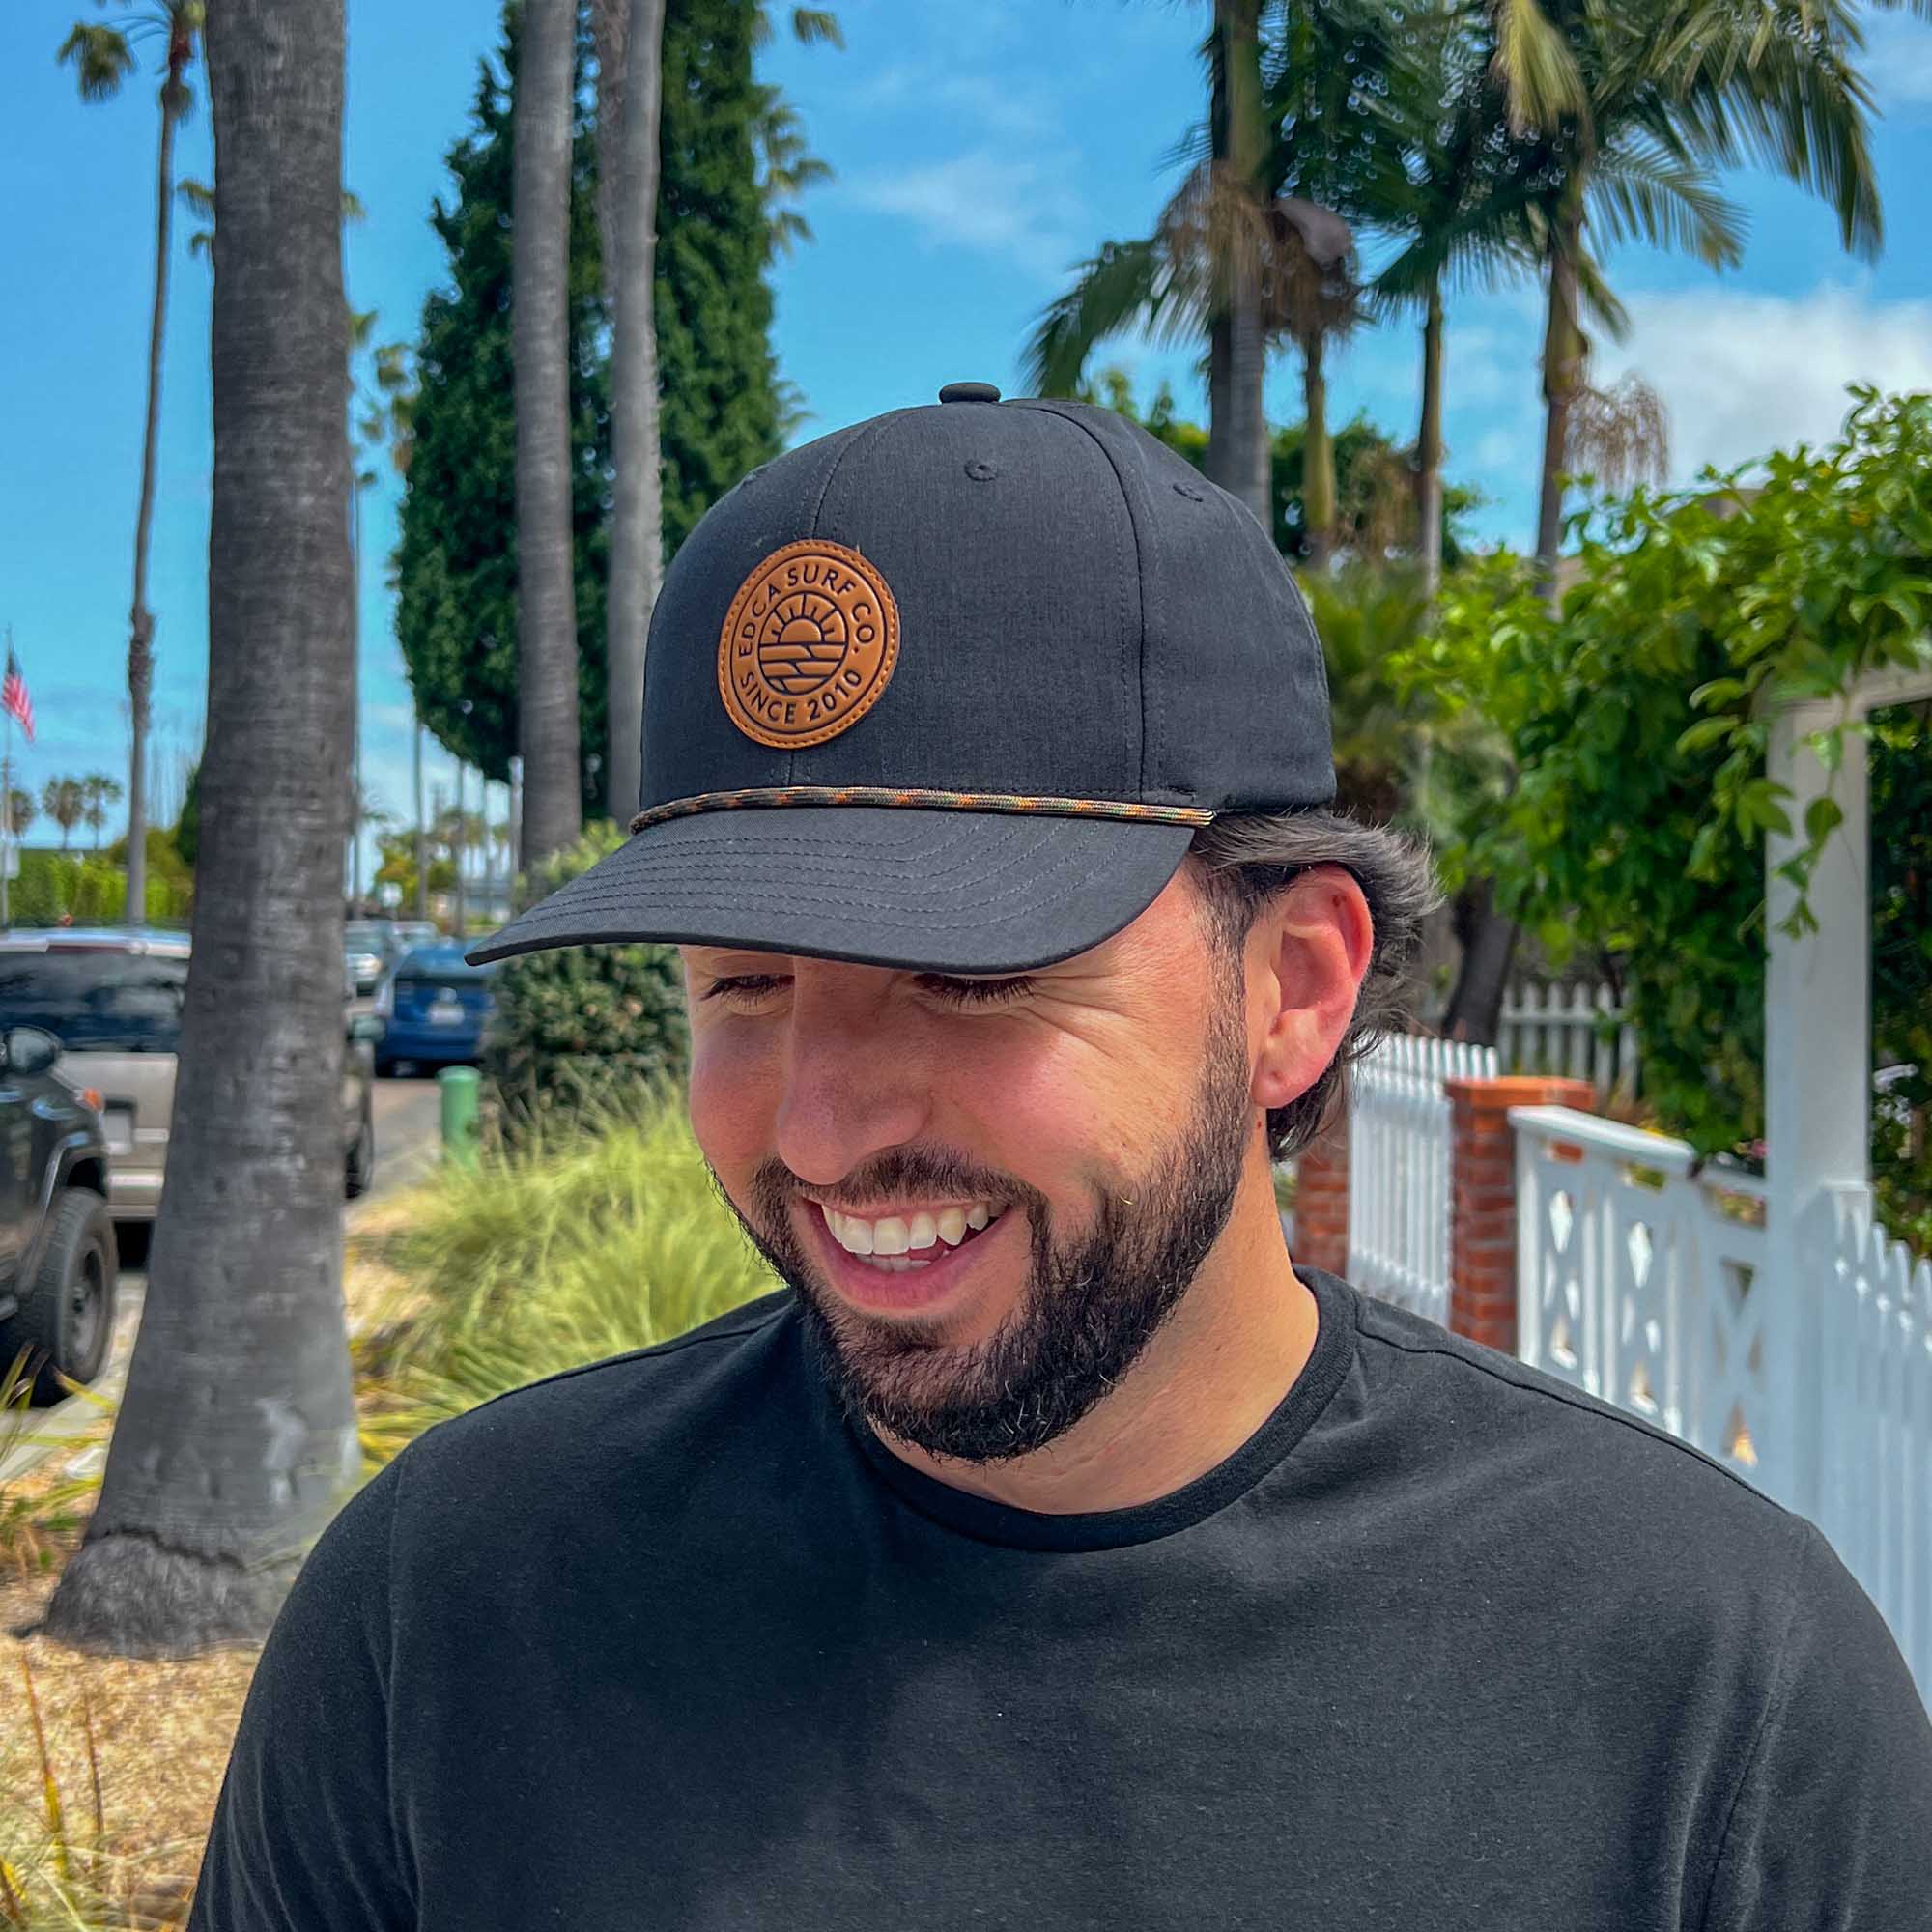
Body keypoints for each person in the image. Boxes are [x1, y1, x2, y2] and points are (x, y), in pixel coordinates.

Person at [188, 384, 1932, 1930]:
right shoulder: (452, 1615)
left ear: (1296, 990)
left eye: (974, 976)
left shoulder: (1713, 1699)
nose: (818, 1126)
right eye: (744, 981)